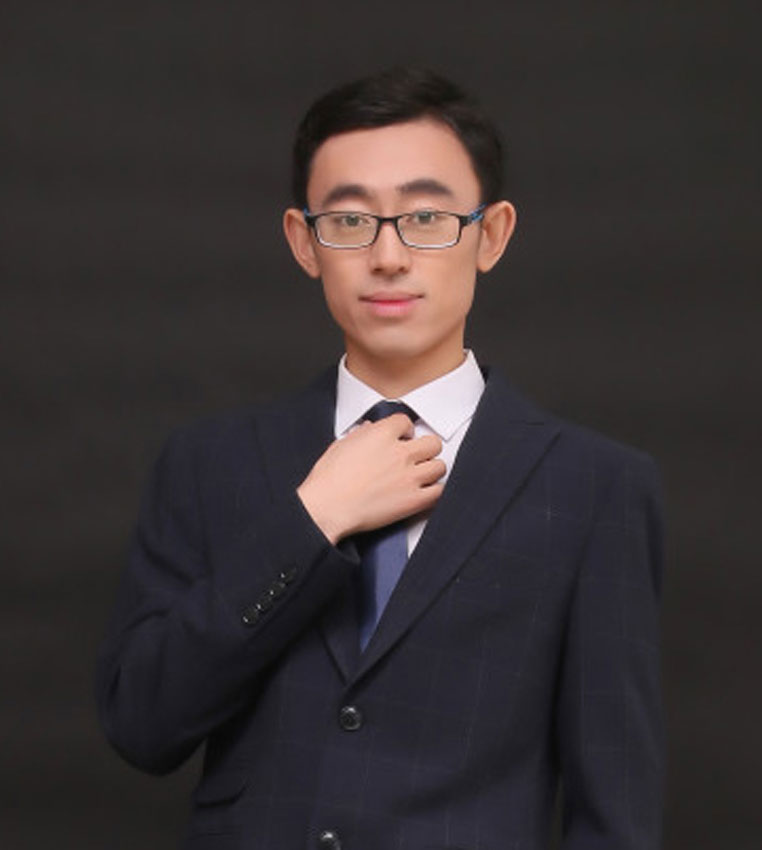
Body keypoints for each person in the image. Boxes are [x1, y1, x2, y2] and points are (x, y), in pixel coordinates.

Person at [97, 67, 664, 850]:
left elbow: (615, 811)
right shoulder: (206, 463)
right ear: (304, 241)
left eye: (427, 217)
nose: (389, 256)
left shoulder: (595, 488)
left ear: (491, 235)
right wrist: (312, 521)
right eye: (351, 221)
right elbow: (142, 724)